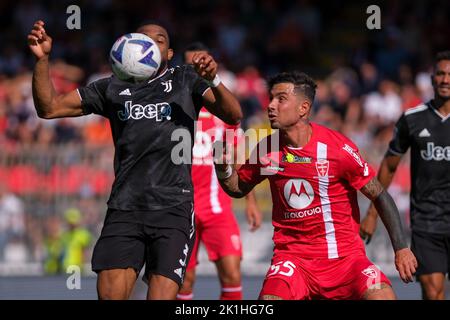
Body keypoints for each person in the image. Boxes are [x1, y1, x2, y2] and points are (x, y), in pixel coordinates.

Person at [27, 20, 242, 300]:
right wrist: (43, 60)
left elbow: (234, 115)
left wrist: (213, 78)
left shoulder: (186, 80)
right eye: (142, 38)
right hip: (125, 208)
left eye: (159, 40)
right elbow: (49, 108)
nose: (149, 43)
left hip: (173, 208)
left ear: (168, 53)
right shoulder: (110, 88)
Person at [214, 71, 417, 300]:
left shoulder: (337, 148)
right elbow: (237, 188)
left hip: (346, 261)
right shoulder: (266, 149)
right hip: (294, 261)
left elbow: (380, 195)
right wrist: (223, 168)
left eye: (280, 99)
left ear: (303, 108)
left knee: (383, 296)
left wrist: (401, 248)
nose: (270, 105)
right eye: (270, 98)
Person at [360, 51, 450, 300]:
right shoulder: (412, 119)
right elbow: (389, 167)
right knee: (433, 292)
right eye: (441, 74)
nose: (445, 79)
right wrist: (371, 213)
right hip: (426, 221)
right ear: (432, 79)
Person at [176, 42, 262, 300]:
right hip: (181, 209)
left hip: (217, 210)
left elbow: (238, 158)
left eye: (201, 65)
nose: (197, 71)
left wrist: (251, 201)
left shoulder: (225, 111)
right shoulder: (175, 109)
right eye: (191, 66)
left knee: (232, 274)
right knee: (183, 281)